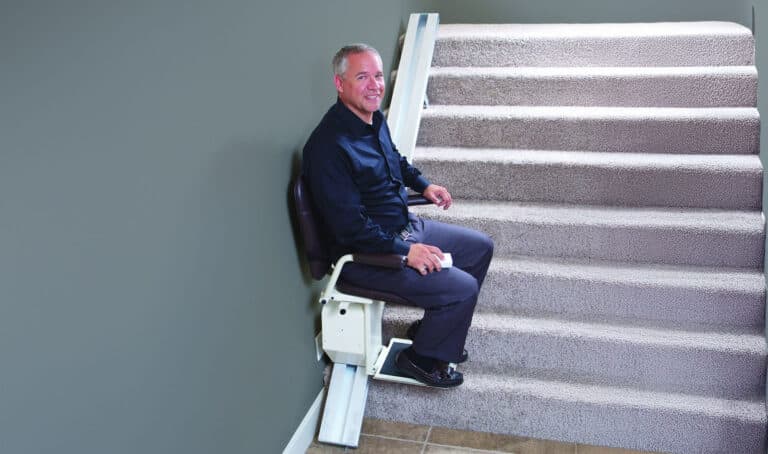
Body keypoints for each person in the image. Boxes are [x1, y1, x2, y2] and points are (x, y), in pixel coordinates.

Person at [302, 43, 493, 388]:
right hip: (368, 255)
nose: (375, 84)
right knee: (463, 288)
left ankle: (434, 333)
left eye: (378, 75)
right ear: (339, 83)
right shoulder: (328, 147)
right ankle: (418, 360)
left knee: (480, 247)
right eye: (362, 77)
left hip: (404, 227)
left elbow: (397, 160)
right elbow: (350, 228)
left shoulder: (373, 118)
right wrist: (407, 253)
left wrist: (424, 184)